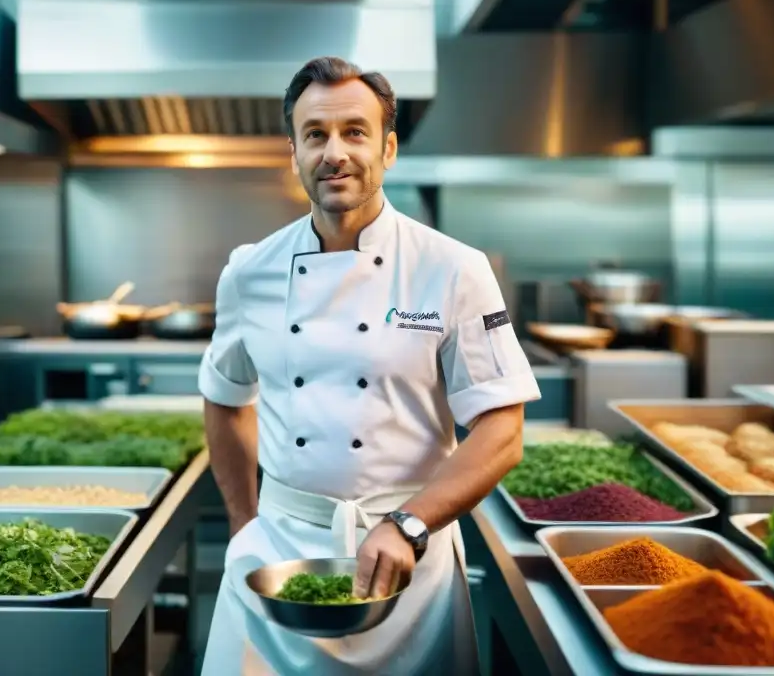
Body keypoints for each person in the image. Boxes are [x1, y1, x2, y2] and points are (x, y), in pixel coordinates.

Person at [198, 56, 541, 675]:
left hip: (409, 560)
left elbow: (501, 432)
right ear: (294, 151)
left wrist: (409, 524)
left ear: (387, 148)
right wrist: (245, 525)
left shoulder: (453, 268)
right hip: (277, 559)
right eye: (315, 135)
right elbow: (225, 399)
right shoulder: (249, 271)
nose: (335, 152)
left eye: (355, 132)